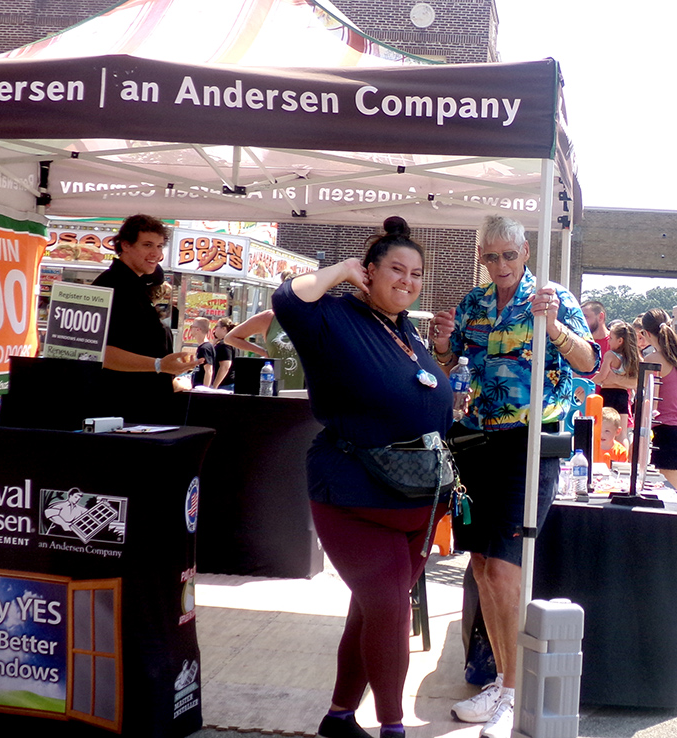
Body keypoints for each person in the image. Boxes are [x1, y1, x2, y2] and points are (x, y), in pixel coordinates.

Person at [271, 216, 453, 738]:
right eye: (396, 269)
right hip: (353, 492)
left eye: (416, 273)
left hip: (418, 497)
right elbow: (288, 299)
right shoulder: (333, 316)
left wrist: (439, 356)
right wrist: (341, 270)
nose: (408, 280)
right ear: (368, 272)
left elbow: (418, 391)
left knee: (369, 611)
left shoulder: (405, 329)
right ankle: (392, 728)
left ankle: (339, 717)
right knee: (390, 610)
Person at [429, 214, 599, 738]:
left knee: (504, 570)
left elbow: (590, 363)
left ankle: (512, 689)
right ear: (481, 255)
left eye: (508, 254)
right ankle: (503, 684)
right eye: (490, 255)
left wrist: (557, 328)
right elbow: (451, 356)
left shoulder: (552, 299)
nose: (499, 264)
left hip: (532, 446)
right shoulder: (474, 303)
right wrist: (439, 341)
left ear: (525, 252)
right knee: (480, 566)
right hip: (478, 442)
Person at [92, 214, 200, 422]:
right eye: (147, 245)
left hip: (143, 408)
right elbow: (100, 353)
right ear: (125, 245)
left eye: (160, 246)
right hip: (124, 410)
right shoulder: (114, 287)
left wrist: (168, 370)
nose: (156, 253)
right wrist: (160, 365)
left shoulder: (136, 285)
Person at [640, 308, 677, 493]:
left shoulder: (653, 359)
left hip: (664, 433)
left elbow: (650, 405)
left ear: (646, 333)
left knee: (666, 498)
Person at [225, 271, 305, 390]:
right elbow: (230, 338)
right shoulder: (269, 317)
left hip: (306, 393)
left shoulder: (312, 316)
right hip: (274, 390)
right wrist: (262, 351)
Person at [590, 320, 639, 444]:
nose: (609, 341)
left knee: (605, 430)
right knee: (622, 433)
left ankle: (606, 455)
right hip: (623, 396)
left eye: (611, 338)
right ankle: (622, 457)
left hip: (608, 394)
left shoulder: (610, 356)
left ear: (620, 341)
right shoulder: (632, 359)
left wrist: (590, 382)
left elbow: (602, 376)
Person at [189, 317, 215, 388]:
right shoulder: (201, 347)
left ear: (198, 329)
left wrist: (204, 390)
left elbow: (208, 371)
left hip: (201, 388)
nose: (190, 329)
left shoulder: (205, 348)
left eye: (192, 326)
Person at [212, 317, 236, 390]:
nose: (214, 329)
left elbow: (225, 366)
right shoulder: (229, 342)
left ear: (224, 329)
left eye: (217, 326)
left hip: (224, 385)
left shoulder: (225, 344)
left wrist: (214, 386)